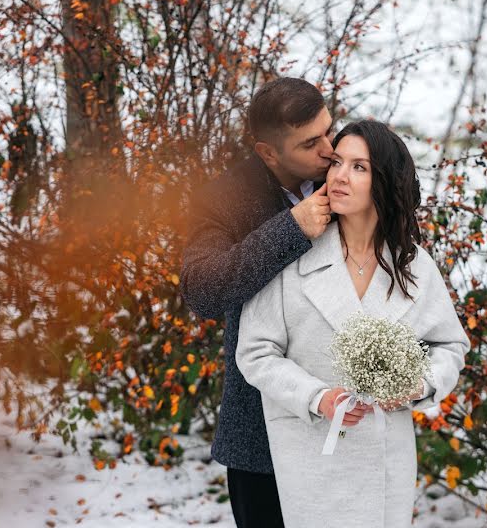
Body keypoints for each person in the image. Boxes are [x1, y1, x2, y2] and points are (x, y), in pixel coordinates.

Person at [236, 120, 471, 528]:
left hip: (385, 458)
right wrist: (317, 397)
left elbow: (450, 346)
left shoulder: (414, 266)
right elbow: (255, 351)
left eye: (359, 167)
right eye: (337, 162)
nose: (341, 176)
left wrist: (419, 383)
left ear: (385, 181)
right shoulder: (292, 253)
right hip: (310, 451)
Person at [180, 77, 336, 528]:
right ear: (268, 152)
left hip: (346, 420)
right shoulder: (221, 198)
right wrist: (291, 229)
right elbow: (202, 292)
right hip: (260, 430)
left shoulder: (347, 170)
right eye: (311, 143)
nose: (329, 149)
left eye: (329, 129)